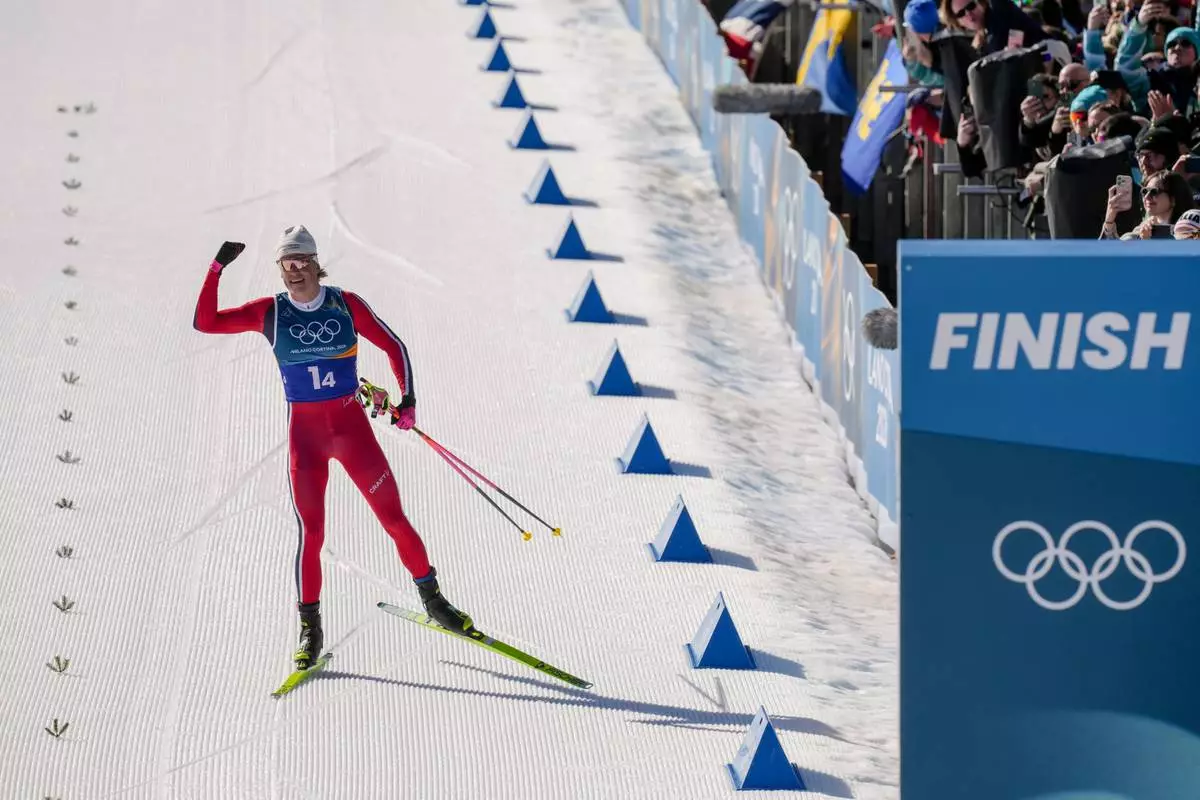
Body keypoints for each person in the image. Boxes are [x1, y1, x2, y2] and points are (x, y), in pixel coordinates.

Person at [192, 226, 474, 671]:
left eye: (303, 261)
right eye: (288, 263)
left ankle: (435, 602)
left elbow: (394, 345)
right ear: (280, 269)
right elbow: (206, 323)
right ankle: (310, 631)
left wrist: (408, 401)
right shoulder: (271, 313)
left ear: (316, 263)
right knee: (312, 535)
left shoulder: (345, 304)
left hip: (353, 433)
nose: (296, 271)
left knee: (394, 519)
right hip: (307, 442)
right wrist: (216, 268)